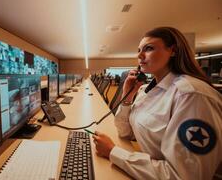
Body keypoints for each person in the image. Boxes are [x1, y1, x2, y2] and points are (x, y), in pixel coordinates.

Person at [93, 27, 222, 179]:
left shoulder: (191, 95)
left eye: (149, 48)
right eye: (139, 50)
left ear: (173, 51)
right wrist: (127, 96)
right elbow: (126, 133)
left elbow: (183, 176)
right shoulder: (145, 90)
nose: (139, 55)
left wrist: (113, 152)